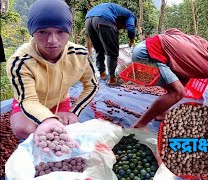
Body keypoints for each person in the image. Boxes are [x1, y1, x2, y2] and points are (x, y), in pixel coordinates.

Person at [6, 0, 99, 145]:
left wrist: (74, 112)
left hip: (59, 100)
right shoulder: (20, 61)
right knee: (24, 128)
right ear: (32, 32)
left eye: (60, 32)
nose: (52, 40)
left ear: (68, 31)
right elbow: (29, 100)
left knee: (65, 130)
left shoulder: (79, 55)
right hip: (29, 100)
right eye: (43, 32)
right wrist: (48, 119)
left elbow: (92, 85)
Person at [130, 28, 208, 128]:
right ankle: (140, 124)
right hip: (146, 55)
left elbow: (171, 31)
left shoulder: (200, 43)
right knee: (178, 92)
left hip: (144, 46)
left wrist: (174, 47)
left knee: (180, 81)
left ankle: (160, 113)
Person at [85, 3, 136, 85]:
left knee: (99, 49)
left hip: (88, 20)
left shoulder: (116, 12)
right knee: (112, 52)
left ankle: (102, 74)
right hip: (103, 19)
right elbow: (131, 28)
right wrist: (131, 41)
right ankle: (112, 79)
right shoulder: (131, 16)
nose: (121, 29)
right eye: (123, 27)